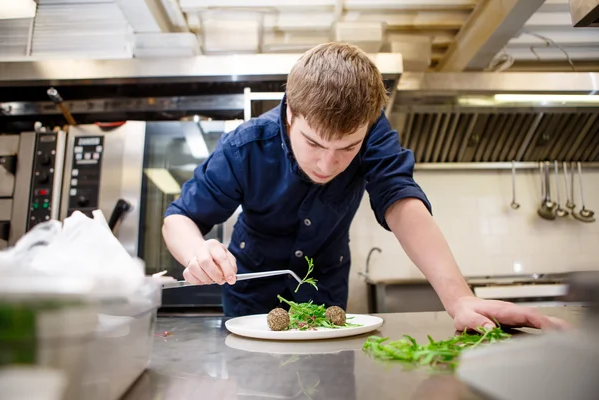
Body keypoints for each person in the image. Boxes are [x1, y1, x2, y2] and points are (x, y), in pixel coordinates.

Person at [162, 42, 568, 332]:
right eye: (314, 143)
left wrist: (459, 298)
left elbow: (401, 200)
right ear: (290, 112)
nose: (327, 164)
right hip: (248, 293)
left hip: (325, 292)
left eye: (347, 148)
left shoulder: (375, 130)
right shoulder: (245, 145)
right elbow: (179, 218)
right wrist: (198, 252)